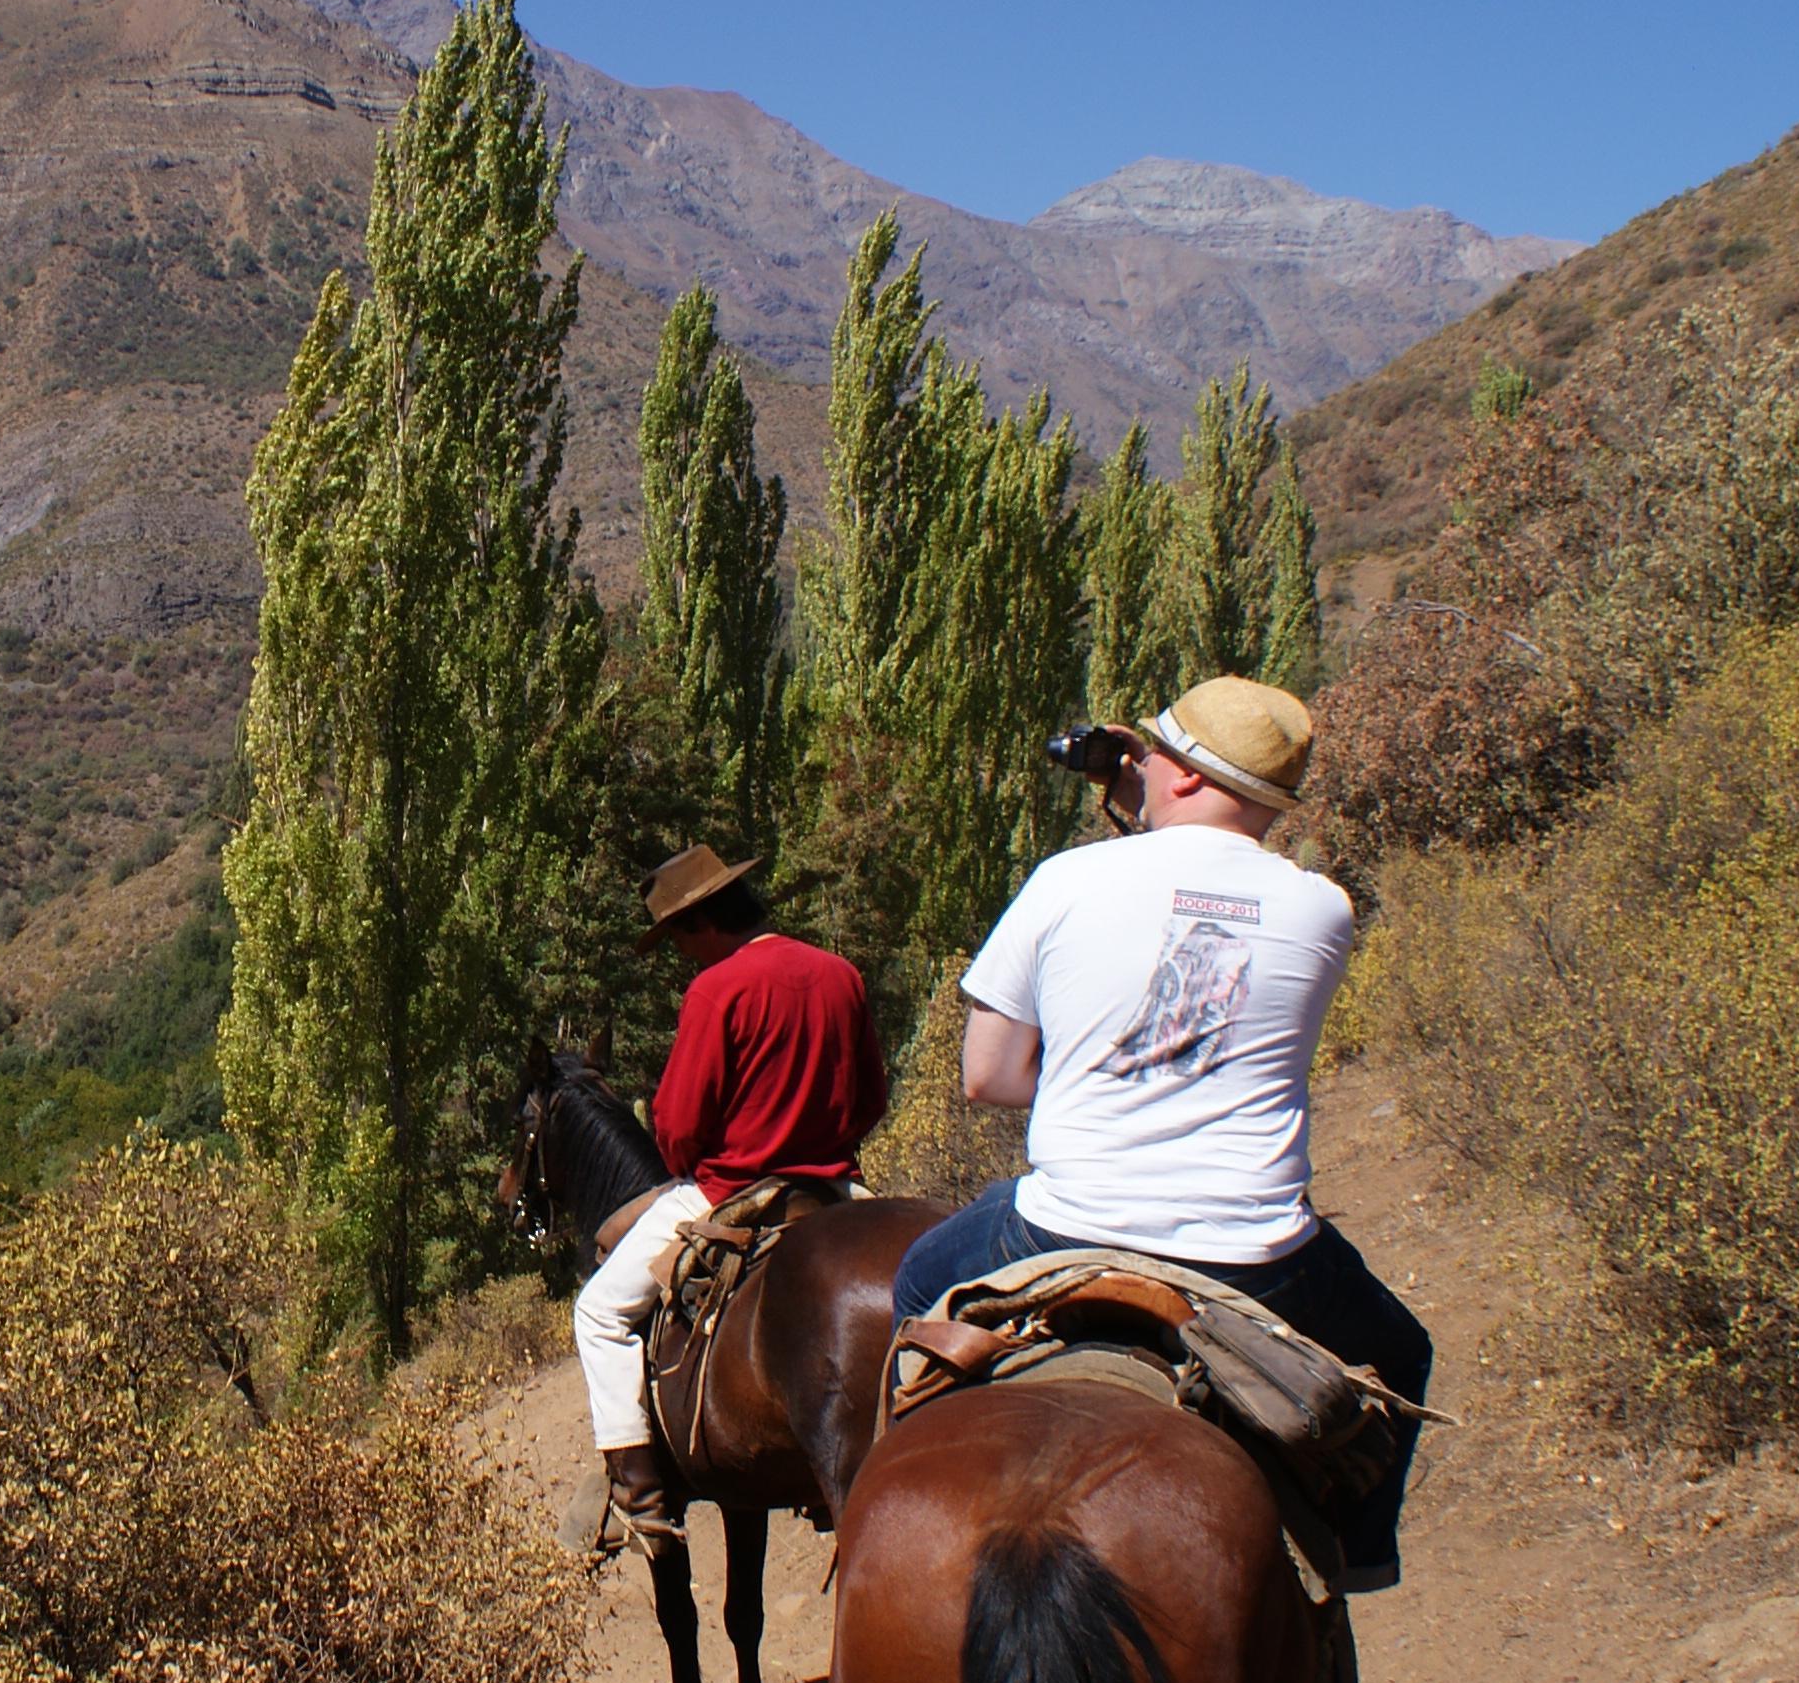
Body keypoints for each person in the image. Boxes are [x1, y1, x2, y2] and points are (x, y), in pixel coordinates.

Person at [890, 675, 1434, 1588]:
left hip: (1065, 1231)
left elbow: (986, 1077)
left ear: (1175, 775)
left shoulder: (1064, 878)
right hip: (1256, 1255)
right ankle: (1358, 1559)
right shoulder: (1322, 907)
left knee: (917, 1275)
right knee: (1403, 1348)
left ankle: (895, 1508)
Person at [577, 845, 890, 1550]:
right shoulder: (840, 974)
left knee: (598, 1312)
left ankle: (639, 1490)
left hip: (732, 1190)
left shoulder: (718, 989)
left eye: (679, 941)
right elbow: (871, 1097)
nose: (682, 957)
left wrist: (704, 1160)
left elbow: (678, 1123)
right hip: (836, 1187)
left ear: (699, 922)